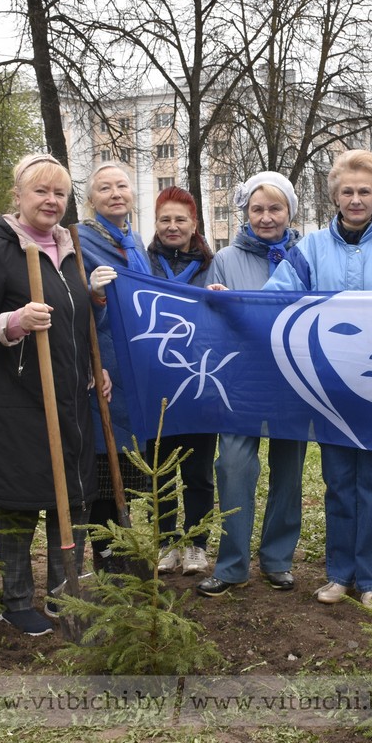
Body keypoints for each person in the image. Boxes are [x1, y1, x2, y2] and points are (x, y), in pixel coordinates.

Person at [266, 150, 372, 608]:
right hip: (331, 389)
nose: (357, 199)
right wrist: (231, 299)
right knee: (339, 482)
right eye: (348, 191)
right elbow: (273, 300)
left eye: (366, 191)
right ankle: (339, 574)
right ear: (335, 196)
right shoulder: (309, 249)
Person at [0, 153, 98, 637]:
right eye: (41, 191)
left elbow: (78, 324)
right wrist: (11, 322)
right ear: (18, 195)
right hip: (16, 400)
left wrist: (93, 369)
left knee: (67, 498)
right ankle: (15, 600)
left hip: (69, 397)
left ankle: (61, 594)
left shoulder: (69, 248)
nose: (51, 200)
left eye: (59, 192)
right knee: (18, 504)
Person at [196, 171, 309, 596]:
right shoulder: (225, 258)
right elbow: (210, 319)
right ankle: (231, 565)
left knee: (289, 471)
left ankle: (278, 559)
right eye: (257, 209)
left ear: (289, 212)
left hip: (292, 380)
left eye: (275, 208)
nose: (266, 217)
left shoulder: (305, 254)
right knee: (232, 468)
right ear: (245, 212)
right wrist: (216, 300)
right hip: (240, 381)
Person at [74, 161, 151, 575]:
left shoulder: (134, 240)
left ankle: (124, 543)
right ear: (92, 199)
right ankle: (105, 556)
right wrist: (93, 292)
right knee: (104, 467)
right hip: (102, 369)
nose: (115, 193)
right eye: (105, 188)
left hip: (133, 368)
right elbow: (71, 302)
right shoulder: (80, 239)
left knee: (127, 464)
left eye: (122, 185)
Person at [146, 186, 217, 576]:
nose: (172, 227)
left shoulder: (212, 265)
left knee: (197, 472)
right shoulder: (139, 264)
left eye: (180, 219)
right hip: (154, 382)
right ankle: (165, 542)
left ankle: (196, 544)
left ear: (194, 224)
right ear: (156, 224)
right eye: (165, 220)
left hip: (200, 382)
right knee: (160, 468)